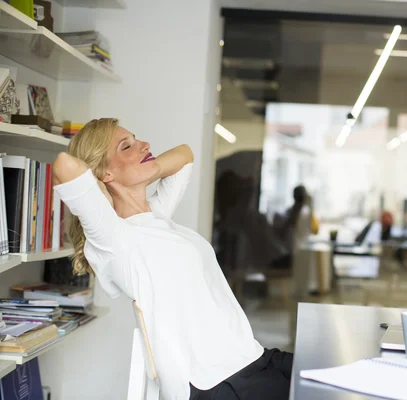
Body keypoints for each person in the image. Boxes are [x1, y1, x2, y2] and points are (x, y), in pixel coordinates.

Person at [52, 118, 292, 400]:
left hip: (253, 358)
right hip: (218, 383)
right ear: (104, 173)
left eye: (136, 138)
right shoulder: (112, 236)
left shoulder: (156, 215)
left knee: (343, 371)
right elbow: (64, 164)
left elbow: (185, 154)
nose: (145, 145)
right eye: (127, 146)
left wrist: (144, 169)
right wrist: (106, 187)